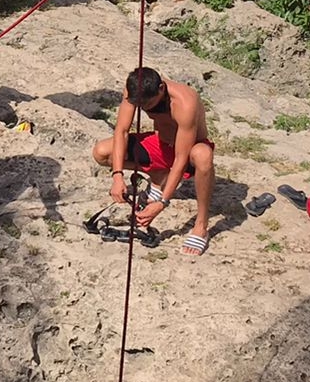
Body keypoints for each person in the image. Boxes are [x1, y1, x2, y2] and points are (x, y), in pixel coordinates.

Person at [91, 67, 217, 255]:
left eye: (148, 104)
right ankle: (158, 177)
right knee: (102, 152)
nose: (144, 109)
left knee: (203, 155)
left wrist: (162, 203)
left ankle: (201, 225)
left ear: (161, 88)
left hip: (187, 151)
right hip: (161, 145)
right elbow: (121, 131)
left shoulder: (184, 102)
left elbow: (181, 158)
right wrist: (117, 176)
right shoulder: (134, 89)